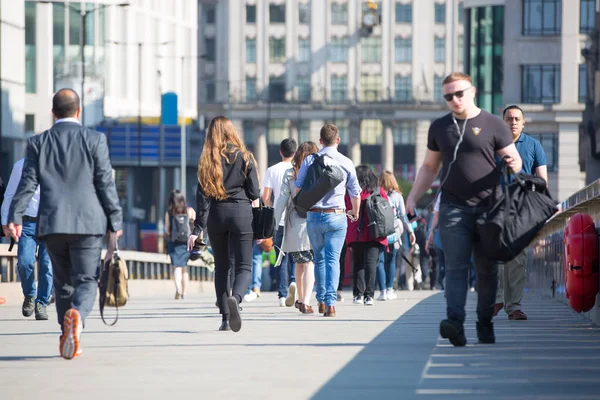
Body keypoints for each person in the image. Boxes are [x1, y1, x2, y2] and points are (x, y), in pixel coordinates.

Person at [406, 72, 522, 347]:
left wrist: (511, 162)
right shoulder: (439, 127)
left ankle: (484, 323)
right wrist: (411, 197)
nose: (454, 100)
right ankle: (455, 323)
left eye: (459, 94)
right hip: (452, 206)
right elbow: (429, 167)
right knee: (455, 267)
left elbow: (514, 159)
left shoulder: (494, 124)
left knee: (486, 270)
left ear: (473, 91)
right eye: (448, 96)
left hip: (489, 208)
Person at [7, 88, 123, 360]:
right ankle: (77, 320)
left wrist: (14, 217)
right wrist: (114, 220)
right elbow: (105, 183)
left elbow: (27, 184)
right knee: (86, 279)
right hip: (88, 224)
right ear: (79, 111)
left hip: (53, 222)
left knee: (61, 283)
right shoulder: (95, 140)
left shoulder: (38, 142)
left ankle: (65, 334)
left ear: (53, 113)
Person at [188, 116, 259, 333]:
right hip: (241, 215)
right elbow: (254, 193)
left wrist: (197, 230)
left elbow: (202, 201)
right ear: (232, 132)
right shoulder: (245, 157)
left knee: (222, 268)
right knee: (244, 266)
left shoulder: (207, 161)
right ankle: (236, 299)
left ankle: (226, 320)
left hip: (216, 217)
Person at [295, 124, 361, 317]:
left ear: (320, 141)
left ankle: (321, 300)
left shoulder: (309, 160)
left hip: (314, 215)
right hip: (337, 215)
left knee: (319, 258)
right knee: (333, 260)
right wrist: (354, 212)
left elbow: (298, 188)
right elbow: (355, 192)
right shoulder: (346, 162)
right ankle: (331, 304)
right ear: (338, 140)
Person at [494, 105, 548, 321]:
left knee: (517, 258)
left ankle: (513, 306)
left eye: (517, 119)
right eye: (509, 118)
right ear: (503, 121)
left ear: (523, 123)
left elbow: (542, 181)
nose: (513, 122)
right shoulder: (493, 145)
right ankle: (497, 299)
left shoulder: (534, 146)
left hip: (523, 209)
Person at [2, 158, 53, 320]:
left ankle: (42, 303)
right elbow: (9, 195)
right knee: (25, 262)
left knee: (47, 264)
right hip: (26, 223)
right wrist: (5, 222)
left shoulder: (57, 165)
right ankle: (30, 295)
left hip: (50, 224)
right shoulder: (20, 166)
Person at [274, 141, 319, 314]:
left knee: (300, 263)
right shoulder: (317, 174)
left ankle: (301, 299)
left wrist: (274, 223)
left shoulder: (290, 173)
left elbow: (281, 202)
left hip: (293, 224)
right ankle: (306, 301)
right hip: (312, 221)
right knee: (309, 263)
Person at [262, 138, 297, 307]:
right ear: (295, 152)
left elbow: (266, 197)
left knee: (280, 258)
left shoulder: (271, 170)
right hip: (296, 218)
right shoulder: (297, 169)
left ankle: (282, 295)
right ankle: (294, 283)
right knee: (296, 255)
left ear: (281, 152)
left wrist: (270, 210)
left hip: (278, 219)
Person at [165, 190, 196, 300]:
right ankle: (185, 292)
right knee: (184, 268)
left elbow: (167, 230)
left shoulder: (169, 213)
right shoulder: (189, 211)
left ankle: (178, 288)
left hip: (175, 244)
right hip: (187, 243)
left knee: (176, 267)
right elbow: (196, 224)